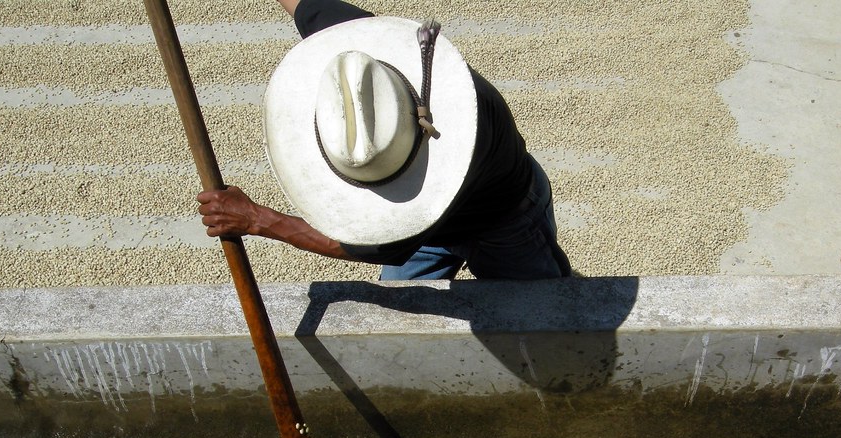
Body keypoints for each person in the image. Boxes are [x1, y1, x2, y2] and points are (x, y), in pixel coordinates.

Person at [197, 0, 572, 280]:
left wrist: (257, 219)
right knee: (404, 335)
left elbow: (368, 245)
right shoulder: (362, 70)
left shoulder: (471, 140)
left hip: (506, 219)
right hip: (426, 231)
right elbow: (307, 5)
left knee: (542, 329)